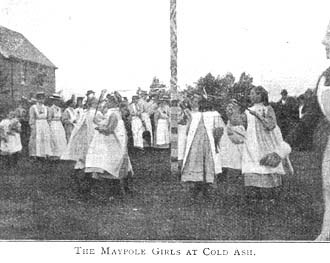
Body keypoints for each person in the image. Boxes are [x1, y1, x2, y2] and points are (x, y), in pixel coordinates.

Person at [242, 86, 293, 208]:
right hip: (252, 142)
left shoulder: (268, 108)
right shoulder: (247, 110)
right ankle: (254, 198)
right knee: (253, 165)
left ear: (260, 95)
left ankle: (270, 198)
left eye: (253, 93)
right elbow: (242, 124)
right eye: (250, 93)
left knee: (267, 165)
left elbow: (271, 125)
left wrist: (257, 115)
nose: (250, 96)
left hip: (267, 141)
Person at [85, 95, 133, 199]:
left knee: (111, 163)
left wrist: (100, 129)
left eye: (108, 101)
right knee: (112, 163)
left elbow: (110, 129)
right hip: (113, 140)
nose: (106, 103)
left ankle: (114, 191)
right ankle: (118, 189)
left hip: (114, 141)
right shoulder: (113, 113)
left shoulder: (114, 114)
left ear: (112, 103)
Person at [181, 96, 224, 199]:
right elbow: (188, 130)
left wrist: (216, 141)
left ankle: (207, 187)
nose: (195, 103)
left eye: (197, 102)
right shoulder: (193, 114)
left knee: (208, 163)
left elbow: (219, 129)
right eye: (193, 101)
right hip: (196, 143)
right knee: (196, 162)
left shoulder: (214, 114)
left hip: (208, 142)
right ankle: (196, 187)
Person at [315, 20, 330, 241]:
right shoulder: (325, 75)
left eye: (329, 35)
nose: (324, 41)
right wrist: (282, 148)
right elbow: (310, 117)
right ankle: (326, 234)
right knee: (328, 185)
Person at [28, 92, 52, 159]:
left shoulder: (46, 108)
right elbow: (32, 117)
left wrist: (48, 124)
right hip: (37, 123)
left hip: (44, 124)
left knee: (45, 138)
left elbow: (49, 117)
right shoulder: (33, 107)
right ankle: (34, 154)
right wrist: (32, 125)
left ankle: (44, 153)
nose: (41, 100)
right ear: (37, 99)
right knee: (36, 138)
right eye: (39, 99)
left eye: (42, 99)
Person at [47, 94, 67, 159]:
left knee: (61, 137)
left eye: (58, 101)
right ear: (53, 101)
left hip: (59, 124)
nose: (57, 102)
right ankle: (54, 154)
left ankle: (60, 153)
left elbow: (61, 118)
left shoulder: (59, 109)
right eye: (56, 101)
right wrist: (49, 126)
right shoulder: (51, 109)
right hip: (53, 124)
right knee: (54, 138)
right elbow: (49, 118)